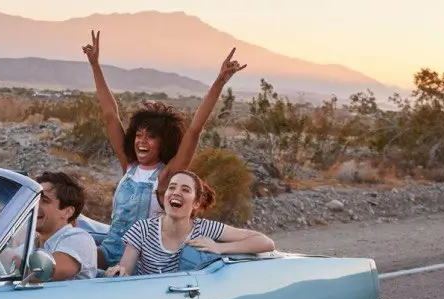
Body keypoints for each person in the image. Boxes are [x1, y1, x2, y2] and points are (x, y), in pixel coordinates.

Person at [82, 30, 248, 269]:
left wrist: (220, 81)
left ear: (165, 142)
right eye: (139, 134)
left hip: (141, 259)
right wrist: (95, 65)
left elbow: (194, 130)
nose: (142, 141)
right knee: (74, 260)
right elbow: (110, 114)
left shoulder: (165, 177)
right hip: (110, 249)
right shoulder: (128, 166)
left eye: (151, 137)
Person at [104, 170, 275, 277]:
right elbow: (125, 272)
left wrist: (220, 248)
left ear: (196, 203)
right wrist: (117, 273)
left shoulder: (205, 228)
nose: (176, 193)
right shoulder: (142, 229)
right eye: (172, 188)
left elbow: (265, 242)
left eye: (185, 190)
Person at [30, 171, 98, 281]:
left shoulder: (78, 238)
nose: (34, 205)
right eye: (34, 199)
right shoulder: (29, 243)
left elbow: (44, 272)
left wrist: (11, 260)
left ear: (67, 212)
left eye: (44, 201)